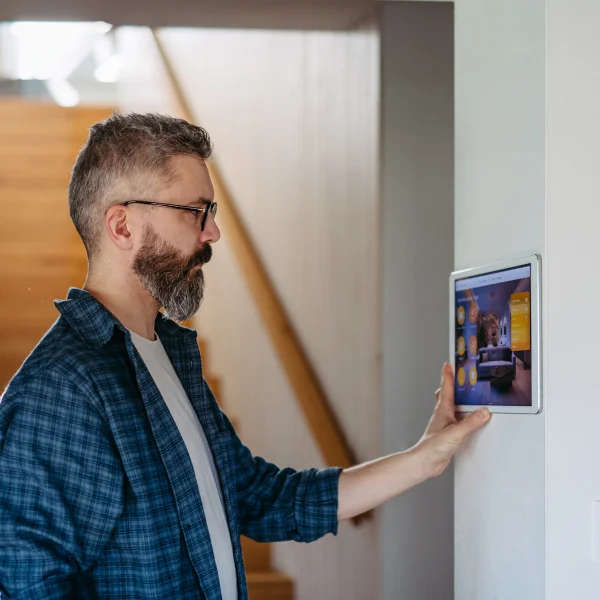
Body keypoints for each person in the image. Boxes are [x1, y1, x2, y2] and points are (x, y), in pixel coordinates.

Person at [0, 113, 490, 599]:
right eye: (194, 212)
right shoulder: (64, 387)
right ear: (122, 226)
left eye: (211, 212)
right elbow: (29, 585)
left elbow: (263, 499)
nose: (212, 233)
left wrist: (424, 459)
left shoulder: (170, 354)